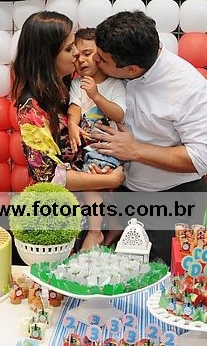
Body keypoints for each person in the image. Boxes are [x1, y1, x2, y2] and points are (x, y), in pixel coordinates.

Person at [90, 11, 207, 264]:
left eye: (102, 59)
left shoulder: (188, 87)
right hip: (123, 193)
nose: (96, 59)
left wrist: (135, 150)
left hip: (173, 200)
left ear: (131, 69)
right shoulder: (110, 72)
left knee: (162, 278)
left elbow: (203, 158)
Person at [11, 11, 124, 193]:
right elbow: (48, 176)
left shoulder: (68, 84)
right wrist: (110, 180)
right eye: (69, 49)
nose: (77, 53)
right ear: (47, 56)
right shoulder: (31, 107)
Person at [67, 28, 126, 249]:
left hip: (107, 147)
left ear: (100, 55)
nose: (81, 60)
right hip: (88, 149)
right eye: (77, 55)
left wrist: (96, 95)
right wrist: (72, 124)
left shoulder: (115, 84)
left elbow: (119, 114)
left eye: (88, 53)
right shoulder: (77, 83)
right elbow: (74, 107)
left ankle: (95, 232)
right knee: (101, 187)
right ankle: (115, 225)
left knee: (91, 184)